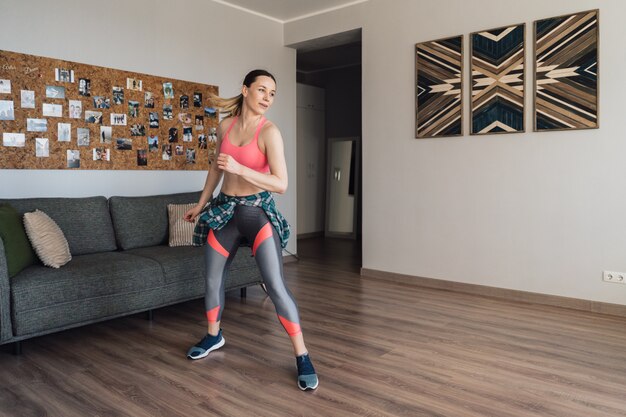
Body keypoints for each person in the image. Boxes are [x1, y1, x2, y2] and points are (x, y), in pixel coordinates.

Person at [183, 69, 318, 391]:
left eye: (272, 93)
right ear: (245, 90)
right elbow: (215, 171)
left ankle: (302, 355)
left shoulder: (270, 132)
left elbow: (281, 184)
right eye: (262, 90)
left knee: (275, 285)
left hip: (256, 214)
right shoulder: (224, 127)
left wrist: (241, 168)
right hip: (224, 212)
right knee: (213, 278)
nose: (267, 98)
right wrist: (201, 204)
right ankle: (214, 336)